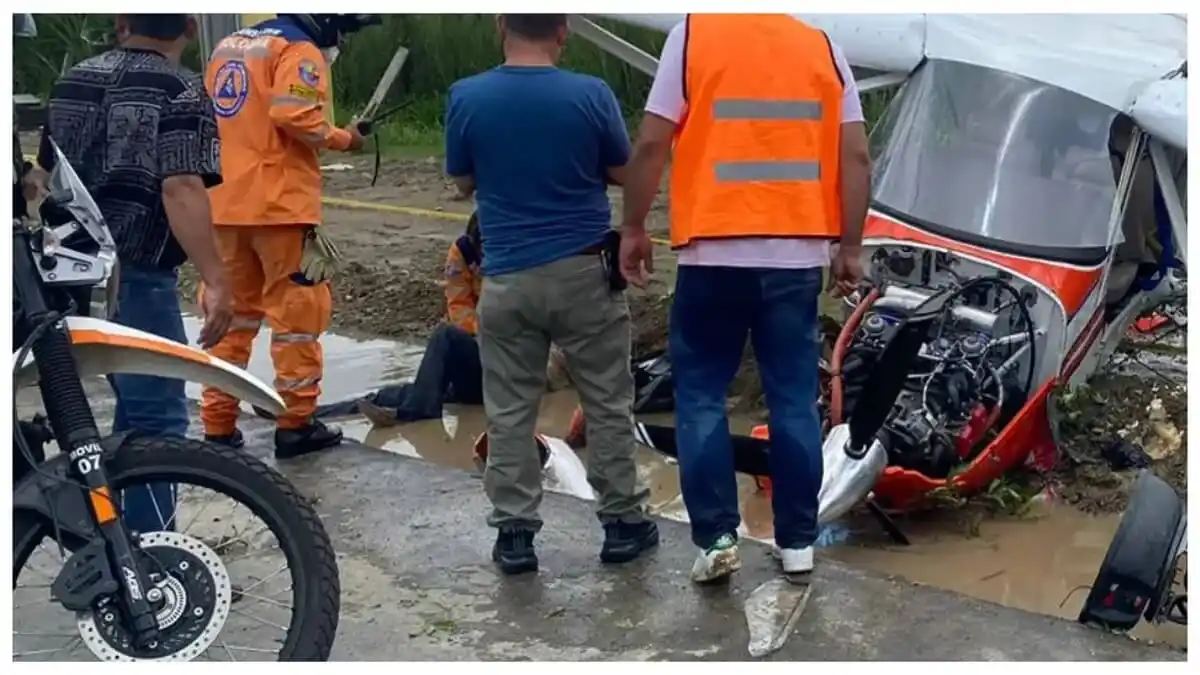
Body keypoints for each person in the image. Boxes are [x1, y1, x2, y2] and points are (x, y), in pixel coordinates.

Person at [619, 14, 871, 583]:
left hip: (713, 254)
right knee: (790, 400)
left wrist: (633, 226)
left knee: (704, 394)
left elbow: (654, 140)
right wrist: (849, 246)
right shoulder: (822, 47)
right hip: (797, 257)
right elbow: (855, 155)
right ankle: (799, 544)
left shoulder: (693, 35)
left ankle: (716, 539)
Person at [445, 14, 655, 575]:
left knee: (510, 410)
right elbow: (621, 169)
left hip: (507, 277)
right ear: (562, 30)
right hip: (585, 272)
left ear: (499, 24)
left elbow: (464, 182)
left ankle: (515, 536)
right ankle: (623, 524)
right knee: (608, 401)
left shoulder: (466, 96)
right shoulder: (591, 94)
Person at [40, 14, 232, 533]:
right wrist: (215, 278)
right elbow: (181, 188)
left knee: (129, 413)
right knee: (158, 422)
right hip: (136, 274)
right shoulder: (182, 89)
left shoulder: (73, 79)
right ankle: (149, 567)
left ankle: (114, 542)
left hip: (67, 273)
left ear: (122, 23)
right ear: (191, 28)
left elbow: (44, 178)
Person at [200, 14, 377, 459]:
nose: (340, 42)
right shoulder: (299, 51)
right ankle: (295, 424)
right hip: (279, 205)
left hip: (224, 202)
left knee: (232, 317)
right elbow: (294, 113)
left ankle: (218, 425)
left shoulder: (229, 47)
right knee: (296, 318)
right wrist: (344, 139)